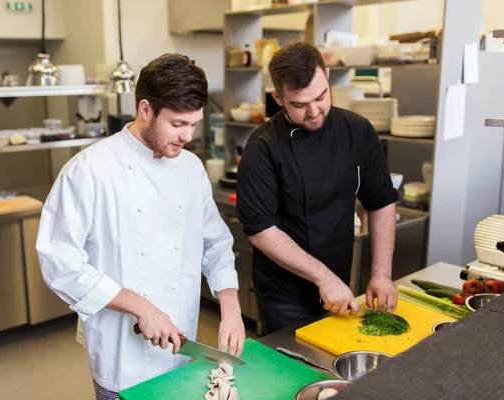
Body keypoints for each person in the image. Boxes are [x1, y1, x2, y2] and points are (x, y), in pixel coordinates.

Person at [36, 53, 245, 400]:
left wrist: (231, 306)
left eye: (194, 124)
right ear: (145, 110)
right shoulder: (90, 169)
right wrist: (139, 305)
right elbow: (59, 261)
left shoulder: (191, 169)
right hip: (122, 358)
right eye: (178, 124)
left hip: (181, 347)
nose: (188, 137)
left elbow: (217, 244)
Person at [236, 42, 399, 335]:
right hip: (284, 296)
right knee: (293, 373)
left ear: (327, 75)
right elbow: (262, 232)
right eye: (299, 104)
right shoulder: (262, 149)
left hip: (338, 283)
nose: (314, 111)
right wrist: (323, 277)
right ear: (278, 97)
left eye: (321, 96)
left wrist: (381, 274)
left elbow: (381, 201)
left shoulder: (358, 131)